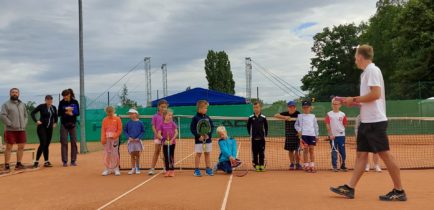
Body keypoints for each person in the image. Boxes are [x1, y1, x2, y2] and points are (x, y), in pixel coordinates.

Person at [330, 44, 406, 201]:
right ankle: (350, 188)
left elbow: (376, 94)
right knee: (361, 155)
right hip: (367, 121)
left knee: (385, 155)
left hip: (375, 121)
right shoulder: (366, 73)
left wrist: (355, 99)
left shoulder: (372, 70)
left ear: (360, 56)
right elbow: (370, 99)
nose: (354, 59)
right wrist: (351, 101)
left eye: (355, 56)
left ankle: (399, 191)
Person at [0, 88, 28, 171]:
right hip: (10, 130)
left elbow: (26, 115)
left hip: (21, 129)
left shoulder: (22, 104)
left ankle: (18, 164)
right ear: (10, 94)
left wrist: (24, 124)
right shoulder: (6, 104)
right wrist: (10, 124)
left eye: (16, 92)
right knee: (9, 147)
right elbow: (2, 115)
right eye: (13, 92)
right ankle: (7, 165)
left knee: (21, 146)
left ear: (18, 94)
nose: (15, 94)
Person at [31, 95, 58, 168]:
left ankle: (46, 161)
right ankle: (36, 161)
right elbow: (32, 113)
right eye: (48, 100)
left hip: (50, 128)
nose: (49, 101)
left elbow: (56, 116)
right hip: (41, 127)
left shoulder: (54, 108)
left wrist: (55, 123)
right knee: (43, 142)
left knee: (47, 144)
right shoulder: (41, 106)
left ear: (52, 100)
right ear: (45, 100)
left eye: (50, 100)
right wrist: (36, 121)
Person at [274, 101, 302, 170]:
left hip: (297, 135)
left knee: (297, 150)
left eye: (293, 107)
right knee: (290, 150)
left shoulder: (298, 113)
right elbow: (276, 115)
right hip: (289, 134)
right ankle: (292, 163)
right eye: (290, 107)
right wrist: (285, 117)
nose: (292, 108)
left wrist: (300, 132)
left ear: (295, 107)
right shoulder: (286, 113)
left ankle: (298, 164)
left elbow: (302, 122)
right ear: (288, 107)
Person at [190, 100, 214, 177]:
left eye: (206, 108)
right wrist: (198, 136)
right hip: (199, 140)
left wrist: (208, 135)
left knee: (207, 154)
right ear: (199, 108)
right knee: (198, 154)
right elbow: (192, 129)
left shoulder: (207, 117)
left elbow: (212, 127)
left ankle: (208, 169)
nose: (206, 110)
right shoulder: (195, 118)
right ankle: (196, 170)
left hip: (208, 140)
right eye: (205, 108)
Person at [294, 100, 319, 173]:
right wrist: (299, 130)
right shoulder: (300, 116)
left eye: (307, 107)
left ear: (310, 108)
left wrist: (317, 135)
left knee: (311, 149)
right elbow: (296, 125)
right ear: (302, 108)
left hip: (312, 135)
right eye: (304, 107)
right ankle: (306, 165)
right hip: (304, 135)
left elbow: (316, 126)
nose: (306, 109)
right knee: (305, 150)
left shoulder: (313, 116)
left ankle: (312, 165)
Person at [325, 99, 348, 172]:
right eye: (334, 104)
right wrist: (331, 134)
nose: (335, 105)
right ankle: (334, 166)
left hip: (341, 136)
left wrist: (341, 131)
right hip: (332, 137)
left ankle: (343, 165)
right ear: (332, 105)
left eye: (337, 104)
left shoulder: (343, 114)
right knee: (334, 151)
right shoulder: (329, 114)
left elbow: (344, 124)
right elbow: (327, 125)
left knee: (342, 151)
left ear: (340, 105)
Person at [58, 89, 80, 167]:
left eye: (66, 96)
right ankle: (64, 161)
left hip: (73, 124)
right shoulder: (61, 102)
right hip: (64, 124)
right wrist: (66, 111)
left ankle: (73, 161)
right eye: (63, 96)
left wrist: (72, 113)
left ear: (69, 94)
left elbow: (78, 113)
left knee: (74, 142)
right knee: (64, 142)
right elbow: (59, 113)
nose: (64, 97)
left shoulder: (75, 102)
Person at [148, 100, 168, 175]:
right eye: (162, 107)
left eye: (165, 107)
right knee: (157, 152)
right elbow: (153, 126)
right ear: (158, 107)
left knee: (165, 153)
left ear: (167, 107)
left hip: (166, 138)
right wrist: (157, 135)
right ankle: (152, 169)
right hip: (157, 137)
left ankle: (166, 168)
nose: (163, 108)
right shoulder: (155, 116)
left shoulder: (168, 116)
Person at [101, 106, 122, 176]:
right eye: (108, 112)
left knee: (115, 153)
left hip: (115, 139)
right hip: (107, 140)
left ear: (113, 111)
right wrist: (103, 138)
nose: (110, 113)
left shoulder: (117, 119)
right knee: (107, 153)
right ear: (106, 112)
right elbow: (103, 130)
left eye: (111, 112)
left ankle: (116, 169)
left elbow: (119, 129)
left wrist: (115, 136)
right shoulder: (104, 120)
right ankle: (107, 169)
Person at [247, 102, 268, 172]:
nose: (256, 109)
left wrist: (266, 135)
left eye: (257, 107)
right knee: (255, 153)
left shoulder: (263, 117)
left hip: (262, 139)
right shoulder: (250, 117)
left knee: (261, 153)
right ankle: (256, 165)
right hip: (254, 139)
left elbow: (266, 127)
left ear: (260, 108)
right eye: (254, 107)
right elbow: (248, 126)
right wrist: (250, 135)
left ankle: (261, 165)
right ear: (253, 108)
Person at [123, 108, 145, 175]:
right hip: (131, 142)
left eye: (132, 113)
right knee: (132, 155)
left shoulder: (140, 122)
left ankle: (137, 168)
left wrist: (138, 138)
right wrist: (129, 137)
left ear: (136, 114)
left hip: (138, 142)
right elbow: (125, 131)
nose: (131, 115)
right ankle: (133, 168)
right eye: (130, 114)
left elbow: (143, 131)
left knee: (137, 155)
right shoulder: (128, 123)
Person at [158, 109, 178, 177]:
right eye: (169, 115)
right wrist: (164, 140)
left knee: (171, 157)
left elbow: (176, 132)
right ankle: (167, 171)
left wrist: (172, 140)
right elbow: (159, 134)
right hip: (165, 143)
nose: (170, 116)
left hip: (172, 143)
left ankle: (172, 171)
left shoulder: (172, 123)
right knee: (166, 157)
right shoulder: (161, 124)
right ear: (164, 115)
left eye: (171, 115)